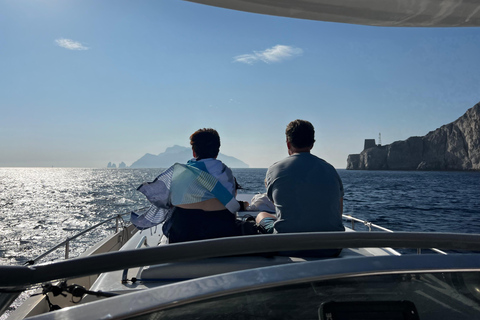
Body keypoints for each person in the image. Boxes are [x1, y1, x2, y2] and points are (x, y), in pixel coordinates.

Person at [255, 119, 345, 257]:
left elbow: (278, 204)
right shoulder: (330, 169)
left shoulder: (275, 169)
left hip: (287, 246)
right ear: (312, 144)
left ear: (288, 143)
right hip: (331, 247)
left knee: (261, 215)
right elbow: (338, 211)